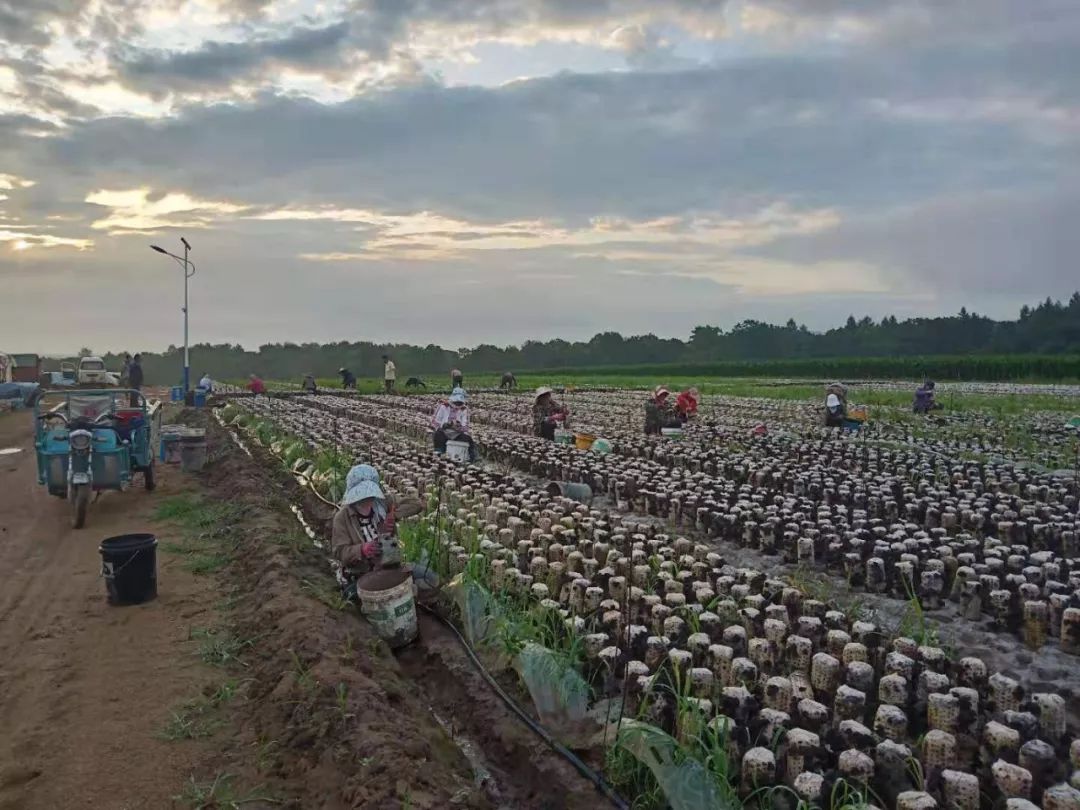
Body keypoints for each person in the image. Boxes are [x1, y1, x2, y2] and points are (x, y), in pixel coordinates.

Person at [331, 465, 424, 599]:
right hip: (361, 574)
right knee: (362, 598)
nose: (367, 499)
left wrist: (393, 515)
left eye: (369, 494)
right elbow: (339, 552)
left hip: (389, 567)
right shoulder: (342, 518)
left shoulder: (383, 503)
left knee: (428, 580)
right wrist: (362, 550)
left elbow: (417, 504)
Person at [431, 387, 476, 461]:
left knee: (468, 439)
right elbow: (435, 421)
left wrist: (458, 426)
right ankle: (439, 454)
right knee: (437, 434)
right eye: (456, 402)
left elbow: (466, 426)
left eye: (459, 403)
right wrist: (447, 424)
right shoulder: (443, 406)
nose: (458, 404)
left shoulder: (464, 410)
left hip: (457, 433)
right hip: (443, 431)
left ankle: (471, 457)